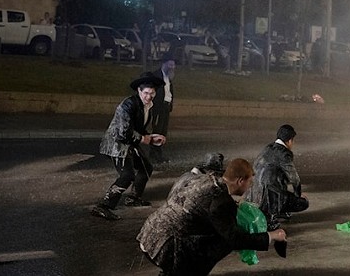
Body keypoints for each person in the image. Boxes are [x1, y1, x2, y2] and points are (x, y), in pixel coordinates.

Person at [137, 157, 287, 276]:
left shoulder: (207, 179)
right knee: (222, 240)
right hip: (163, 248)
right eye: (249, 182)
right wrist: (272, 235)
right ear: (240, 180)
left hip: (148, 234)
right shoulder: (222, 201)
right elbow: (235, 239)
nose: (250, 187)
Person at [91, 72, 166, 221]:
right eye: (146, 93)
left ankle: (133, 198)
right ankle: (103, 206)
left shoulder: (148, 106)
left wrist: (152, 136)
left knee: (146, 168)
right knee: (127, 175)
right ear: (139, 91)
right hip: (116, 144)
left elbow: (140, 128)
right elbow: (123, 133)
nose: (149, 97)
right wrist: (146, 140)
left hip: (130, 143)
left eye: (152, 93)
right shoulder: (128, 104)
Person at [245, 124, 309, 231]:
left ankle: (276, 211)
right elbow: (294, 178)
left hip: (252, 195)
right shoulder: (284, 153)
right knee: (303, 203)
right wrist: (298, 195)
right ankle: (271, 216)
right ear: (289, 141)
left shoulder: (267, 148)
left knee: (278, 182)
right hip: (268, 197)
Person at [150, 52, 176, 164]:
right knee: (158, 131)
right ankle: (155, 154)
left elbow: (169, 91)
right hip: (158, 107)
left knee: (163, 131)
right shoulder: (156, 76)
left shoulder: (168, 77)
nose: (172, 68)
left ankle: (156, 153)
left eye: (173, 66)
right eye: (170, 65)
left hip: (166, 107)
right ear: (164, 64)